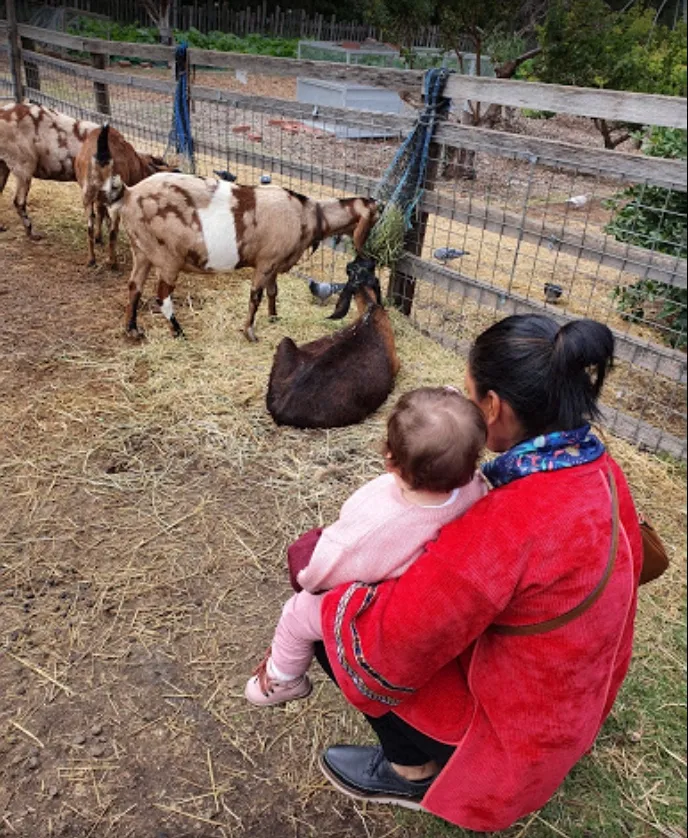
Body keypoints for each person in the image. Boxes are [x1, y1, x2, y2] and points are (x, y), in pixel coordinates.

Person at [313, 314, 643, 832]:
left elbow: (392, 646)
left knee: (331, 624)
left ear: (493, 407)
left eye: (468, 395)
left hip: (515, 741)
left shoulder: (506, 524)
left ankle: (412, 770)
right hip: (575, 707)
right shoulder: (598, 467)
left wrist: (328, 592)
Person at [245, 387, 488, 706]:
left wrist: (308, 577)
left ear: (389, 459)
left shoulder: (379, 522)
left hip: (380, 605)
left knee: (296, 613)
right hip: (424, 592)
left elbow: (326, 569)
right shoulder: (474, 486)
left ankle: (284, 678)